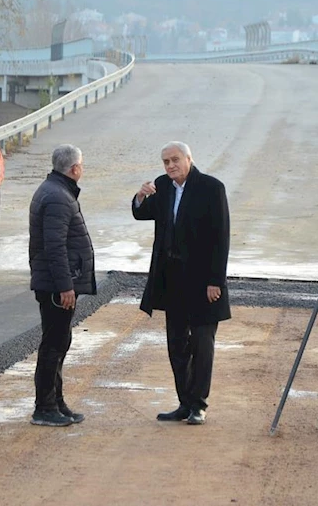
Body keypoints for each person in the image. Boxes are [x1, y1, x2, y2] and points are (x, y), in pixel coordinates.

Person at [132, 141, 231, 425]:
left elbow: (221, 237)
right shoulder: (162, 186)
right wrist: (140, 196)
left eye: (175, 160)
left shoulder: (212, 188)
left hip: (202, 282)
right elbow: (141, 212)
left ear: (189, 159)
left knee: (201, 344)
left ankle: (199, 404)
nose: (170, 166)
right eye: (166, 161)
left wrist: (216, 281)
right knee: (176, 345)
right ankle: (184, 403)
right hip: (172, 280)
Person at [29, 144, 96, 427]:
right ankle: (44, 408)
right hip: (57, 286)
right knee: (53, 346)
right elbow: (54, 247)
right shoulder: (58, 197)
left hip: (56, 282)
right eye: (81, 164)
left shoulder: (55, 190)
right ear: (75, 168)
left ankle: (56, 402)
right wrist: (66, 286)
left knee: (60, 342)